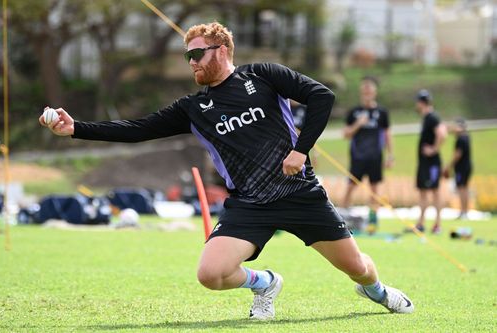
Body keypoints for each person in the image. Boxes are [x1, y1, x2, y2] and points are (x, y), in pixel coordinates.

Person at [40, 22, 413, 319]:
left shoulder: (263, 75)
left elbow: (322, 96)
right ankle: (265, 283)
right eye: (188, 56)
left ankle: (376, 291)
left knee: (358, 268)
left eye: (198, 53)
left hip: (299, 193)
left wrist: (301, 150)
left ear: (222, 49)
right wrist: (76, 129)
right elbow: (138, 130)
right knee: (211, 275)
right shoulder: (193, 108)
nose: (192, 62)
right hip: (248, 203)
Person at [342, 76, 393, 234]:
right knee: (351, 186)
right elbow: (346, 134)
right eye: (364, 90)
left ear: (375, 92)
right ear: (361, 92)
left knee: (374, 189)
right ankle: (342, 219)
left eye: (370, 90)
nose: (367, 93)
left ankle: (372, 221)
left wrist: (391, 155)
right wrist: (358, 124)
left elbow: (387, 134)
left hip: (375, 156)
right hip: (358, 156)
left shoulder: (382, 112)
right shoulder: (354, 112)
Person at [415, 89, 447, 234]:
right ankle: (421, 223)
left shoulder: (432, 117)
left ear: (421, 103)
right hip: (425, 163)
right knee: (423, 191)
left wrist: (434, 149)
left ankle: (437, 224)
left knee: (434, 192)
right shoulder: (427, 118)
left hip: (431, 163)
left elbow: (442, 133)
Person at [443, 118, 472, 219]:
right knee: (464, 188)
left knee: (462, 189)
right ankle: (464, 211)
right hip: (466, 167)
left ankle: (463, 212)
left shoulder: (461, 139)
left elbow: (457, 155)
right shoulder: (466, 137)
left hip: (461, 168)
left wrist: (448, 166)